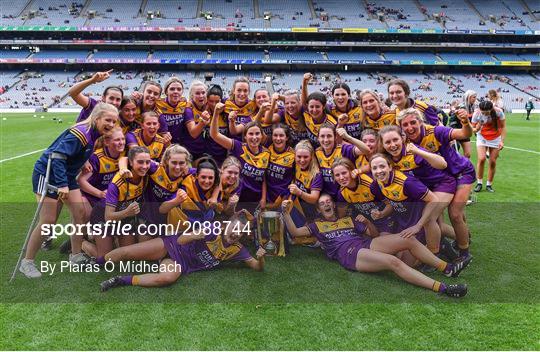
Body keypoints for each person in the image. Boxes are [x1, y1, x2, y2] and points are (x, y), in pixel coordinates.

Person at [281, 194, 469, 297]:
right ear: (318, 209)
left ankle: (448, 268)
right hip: (350, 253)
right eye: (322, 204)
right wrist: (285, 213)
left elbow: (374, 235)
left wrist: (368, 222)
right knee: (393, 263)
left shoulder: (348, 219)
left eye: (329, 201)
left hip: (365, 242)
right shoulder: (316, 226)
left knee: (408, 239)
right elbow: (296, 233)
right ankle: (443, 288)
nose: (327, 204)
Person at [19, 102, 118, 278]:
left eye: (114, 121)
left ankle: (76, 255)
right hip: (48, 174)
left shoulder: (94, 133)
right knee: (48, 220)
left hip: (66, 174)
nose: (111, 124)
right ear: (97, 118)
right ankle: (27, 262)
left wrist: (83, 161)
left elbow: (74, 153)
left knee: (79, 213)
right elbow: (57, 156)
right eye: (108, 120)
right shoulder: (81, 133)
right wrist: (62, 184)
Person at [99, 213, 266, 291]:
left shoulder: (237, 250)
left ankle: (120, 280)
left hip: (180, 263)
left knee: (166, 278)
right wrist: (194, 235)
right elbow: (180, 240)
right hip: (170, 245)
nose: (236, 233)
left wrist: (261, 258)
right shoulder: (213, 228)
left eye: (241, 231)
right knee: (124, 253)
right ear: (227, 224)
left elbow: (257, 267)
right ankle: (93, 262)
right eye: (234, 228)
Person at [397, 107, 475, 260]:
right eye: (405, 125)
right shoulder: (405, 139)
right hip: (440, 178)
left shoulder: (435, 132)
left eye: (413, 122)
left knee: (455, 213)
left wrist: (465, 122)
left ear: (421, 122)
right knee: (436, 217)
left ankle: (464, 252)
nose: (410, 127)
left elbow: (465, 134)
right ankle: (456, 240)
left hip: (460, 172)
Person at [378, 125, 456, 255]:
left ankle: (434, 254)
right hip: (424, 190)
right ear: (383, 144)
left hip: (442, 184)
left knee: (429, 218)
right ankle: (460, 238)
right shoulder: (387, 159)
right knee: (436, 223)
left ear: (402, 138)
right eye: (388, 142)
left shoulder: (412, 151)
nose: (392, 145)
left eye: (395, 140)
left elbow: (443, 164)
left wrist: (419, 151)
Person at [211, 102, 269, 209]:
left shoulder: (267, 153)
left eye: (257, 133)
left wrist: (263, 198)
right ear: (245, 137)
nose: (254, 137)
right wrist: (216, 113)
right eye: (251, 134)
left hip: (256, 200)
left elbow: (265, 178)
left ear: (262, 136)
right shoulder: (238, 146)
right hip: (237, 198)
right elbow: (215, 135)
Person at [78, 126, 126, 224]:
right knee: (85, 217)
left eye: (123, 139)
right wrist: (100, 193)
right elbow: (81, 181)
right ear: (107, 142)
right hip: (90, 195)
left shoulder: (124, 155)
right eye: (117, 140)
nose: (121, 142)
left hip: (109, 196)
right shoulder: (97, 158)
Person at [162, 157, 221, 227]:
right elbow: (162, 209)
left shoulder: (215, 188)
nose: (207, 181)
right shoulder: (186, 187)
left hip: (202, 222)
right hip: (182, 224)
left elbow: (219, 178)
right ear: (196, 176)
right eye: (203, 177)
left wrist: (214, 197)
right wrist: (176, 201)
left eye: (210, 178)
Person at [315, 123, 369, 200]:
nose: (326, 140)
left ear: (335, 137)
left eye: (329, 136)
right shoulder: (317, 152)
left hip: (346, 195)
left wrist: (348, 137)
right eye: (322, 136)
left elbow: (366, 150)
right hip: (328, 196)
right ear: (318, 138)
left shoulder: (343, 149)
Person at [472, 100, 506, 193]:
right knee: (482, 158)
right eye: (483, 112)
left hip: (495, 137)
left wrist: (502, 141)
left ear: (491, 109)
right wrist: (476, 128)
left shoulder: (499, 112)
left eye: (487, 113)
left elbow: (503, 127)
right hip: (482, 136)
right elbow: (473, 128)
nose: (485, 114)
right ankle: (479, 183)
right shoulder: (477, 113)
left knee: (492, 162)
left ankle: (489, 184)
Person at [301, 73, 337, 147]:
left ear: (323, 106)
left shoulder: (332, 123)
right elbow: (304, 101)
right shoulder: (306, 114)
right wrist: (304, 82)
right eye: (311, 106)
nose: (314, 110)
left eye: (317, 107)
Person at [266, 124, 295, 208]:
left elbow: (295, 180)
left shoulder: (293, 155)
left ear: (287, 138)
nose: (278, 138)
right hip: (267, 197)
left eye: (281, 135)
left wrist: (288, 198)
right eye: (275, 135)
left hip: (283, 198)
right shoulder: (267, 150)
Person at [183, 80, 212, 160]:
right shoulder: (188, 109)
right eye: (197, 93)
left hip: (203, 150)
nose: (201, 96)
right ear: (192, 96)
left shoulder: (207, 105)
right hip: (189, 151)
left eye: (203, 93)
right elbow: (193, 133)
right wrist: (202, 121)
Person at [154, 77, 187, 145]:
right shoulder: (158, 103)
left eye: (179, 89)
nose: (176, 91)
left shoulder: (185, 103)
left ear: (182, 92)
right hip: (162, 142)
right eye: (172, 89)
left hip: (181, 143)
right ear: (166, 91)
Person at [204, 85, 229, 165]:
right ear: (207, 100)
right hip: (208, 155)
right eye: (211, 101)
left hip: (224, 154)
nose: (214, 104)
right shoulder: (205, 112)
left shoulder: (226, 114)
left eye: (217, 101)